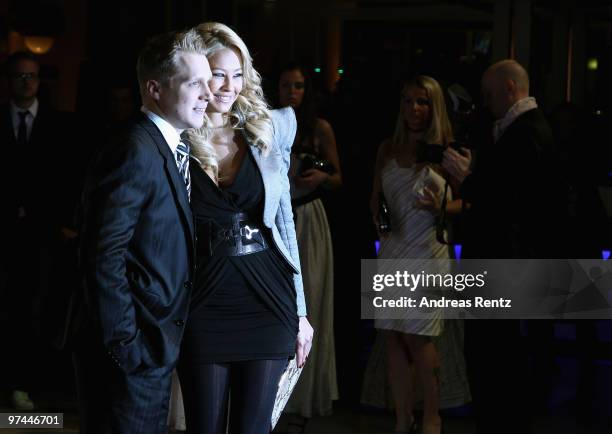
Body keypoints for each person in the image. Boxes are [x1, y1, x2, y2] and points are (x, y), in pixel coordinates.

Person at [69, 29, 212, 434]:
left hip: (152, 347)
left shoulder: (167, 146)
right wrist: (126, 344)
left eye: (208, 81)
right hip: (132, 352)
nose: (208, 92)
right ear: (154, 89)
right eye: (194, 83)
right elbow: (102, 253)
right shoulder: (135, 147)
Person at [175, 22, 314, 434]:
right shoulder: (175, 136)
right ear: (198, 73)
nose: (228, 86)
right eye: (218, 73)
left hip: (267, 295)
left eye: (238, 75)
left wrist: (301, 311)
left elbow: (285, 223)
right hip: (203, 298)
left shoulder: (269, 129)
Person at [442, 59, 559, 434]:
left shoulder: (526, 132)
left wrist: (467, 178)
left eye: (490, 94)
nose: (486, 102)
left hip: (505, 261)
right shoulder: (528, 130)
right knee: (499, 353)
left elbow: (509, 200)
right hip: (510, 260)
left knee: (496, 356)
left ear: (510, 89)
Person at [368, 75, 462, 434]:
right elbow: (374, 200)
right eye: (408, 101)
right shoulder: (387, 148)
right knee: (393, 334)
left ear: (434, 106)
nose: (414, 109)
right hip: (393, 249)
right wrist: (377, 218)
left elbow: (469, 202)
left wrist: (444, 205)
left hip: (427, 250)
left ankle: (432, 417)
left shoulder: (448, 150)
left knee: (420, 338)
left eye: (422, 102)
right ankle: (402, 418)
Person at [0, 50, 72, 410]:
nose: (25, 82)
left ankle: (33, 382)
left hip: (46, 235)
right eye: (18, 76)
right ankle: (13, 380)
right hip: (5, 234)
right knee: (8, 307)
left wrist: (64, 224)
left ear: (39, 80)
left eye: (30, 76)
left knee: (40, 307)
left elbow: (67, 178)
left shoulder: (59, 125)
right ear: (9, 80)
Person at [275, 62, 341, 429]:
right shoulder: (268, 123)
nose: (292, 91)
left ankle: (305, 395)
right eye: (286, 84)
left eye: (298, 85)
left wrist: (322, 176)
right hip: (277, 217)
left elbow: (338, 177)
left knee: (310, 303)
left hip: (309, 216)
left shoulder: (319, 128)